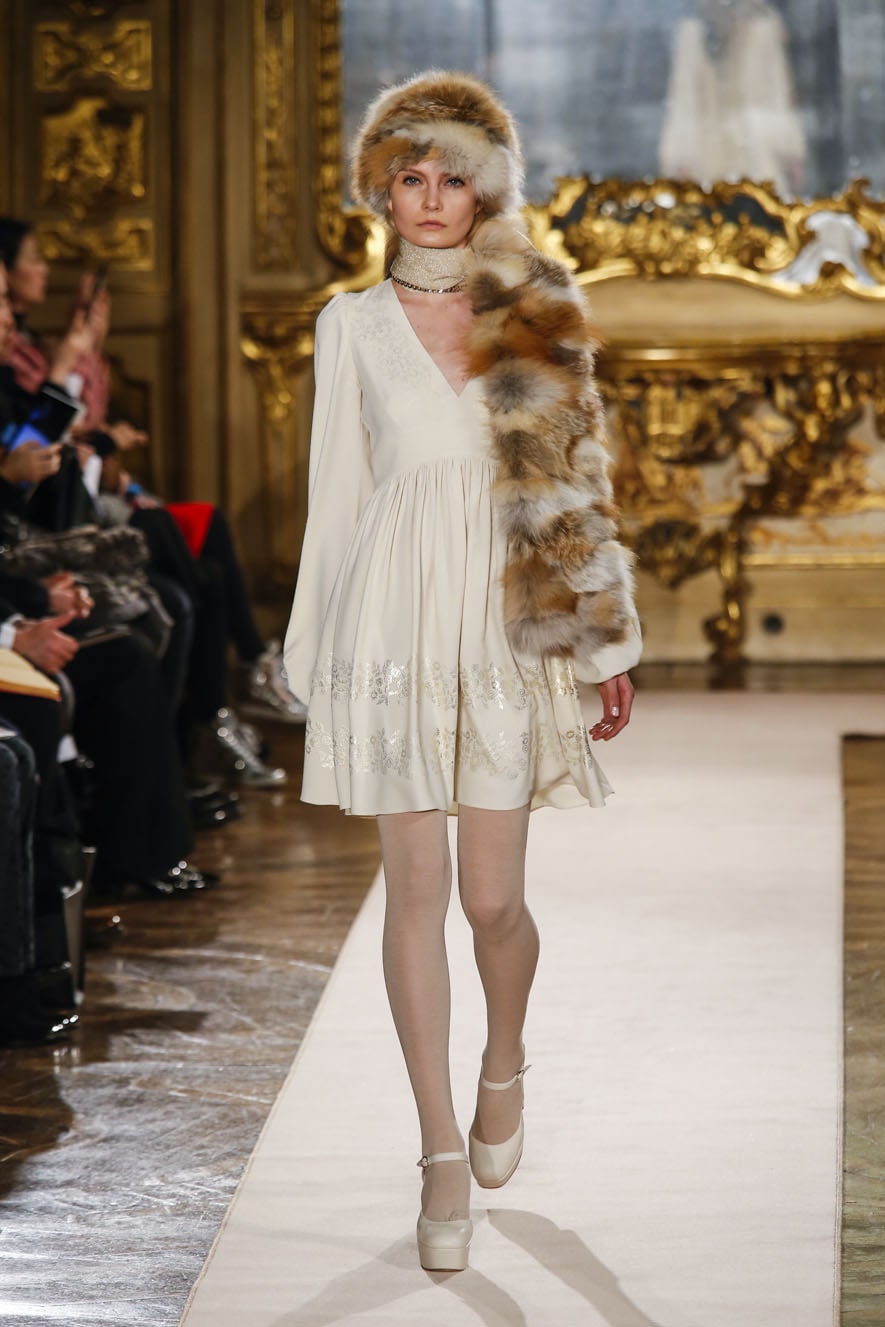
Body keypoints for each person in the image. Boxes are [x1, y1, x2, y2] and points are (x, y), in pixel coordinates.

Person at [284, 71, 642, 1271]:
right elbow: (335, 496)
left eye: (452, 175)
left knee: (493, 903)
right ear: (380, 191)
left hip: (500, 611)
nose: (431, 197)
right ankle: (438, 1147)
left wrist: (606, 638)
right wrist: (314, 652)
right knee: (416, 893)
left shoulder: (535, 308)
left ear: (484, 187)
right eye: (410, 176)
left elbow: (579, 479)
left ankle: (505, 1058)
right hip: (391, 616)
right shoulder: (347, 324)